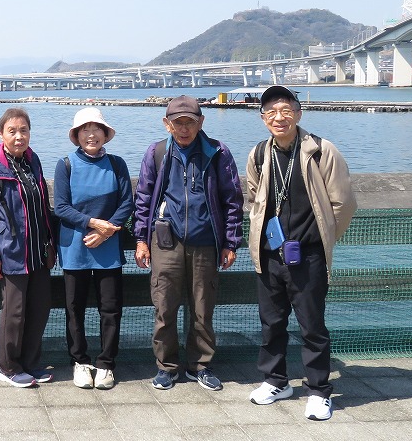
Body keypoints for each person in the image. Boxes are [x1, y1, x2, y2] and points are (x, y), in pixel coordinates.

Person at [245, 85, 357, 421]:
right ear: (263, 118)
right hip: (269, 254)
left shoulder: (321, 151)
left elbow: (343, 203)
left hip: (308, 255)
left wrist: (321, 240)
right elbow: (254, 196)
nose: (278, 117)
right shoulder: (259, 153)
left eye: (285, 110)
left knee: (312, 326)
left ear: (298, 113)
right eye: (271, 112)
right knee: (271, 323)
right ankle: (276, 381)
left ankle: (320, 391)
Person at [133, 95, 243, 392]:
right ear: (166, 123)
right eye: (178, 122)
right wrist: (141, 240)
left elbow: (233, 200)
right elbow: (143, 199)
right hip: (165, 241)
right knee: (164, 306)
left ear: (201, 123)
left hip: (206, 241)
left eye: (190, 122)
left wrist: (230, 242)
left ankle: (200, 366)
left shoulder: (217, 152)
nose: (184, 128)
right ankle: (166, 366)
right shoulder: (157, 153)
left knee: (203, 308)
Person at [53, 107, 133, 390]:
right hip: (75, 248)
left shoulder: (117, 164)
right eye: (84, 129)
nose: (91, 134)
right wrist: (93, 223)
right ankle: (80, 361)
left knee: (110, 309)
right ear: (76, 135)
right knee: (74, 308)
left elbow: (127, 203)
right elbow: (61, 207)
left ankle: (106, 363)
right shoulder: (65, 165)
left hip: (108, 248)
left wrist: (106, 230)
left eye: (96, 129)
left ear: (105, 134)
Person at [0, 107, 56, 388]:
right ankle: (8, 367)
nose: (19, 136)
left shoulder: (33, 162)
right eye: (12, 131)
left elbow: (42, 206)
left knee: (39, 309)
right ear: (1, 134)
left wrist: (50, 241)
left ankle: (31, 363)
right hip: (12, 252)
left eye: (23, 130)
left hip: (38, 251)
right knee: (14, 313)